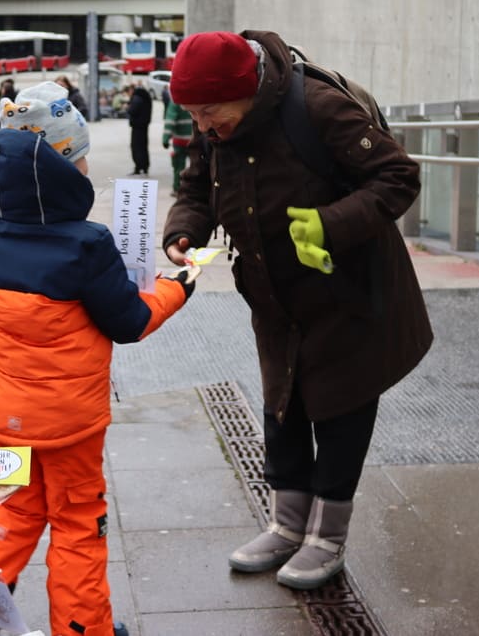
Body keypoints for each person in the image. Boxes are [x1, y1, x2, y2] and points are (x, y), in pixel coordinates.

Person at [162, 30, 433, 590]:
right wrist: (184, 231)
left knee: (340, 406)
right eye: (194, 114)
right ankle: (287, 526)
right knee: (283, 402)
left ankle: (327, 537)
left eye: (210, 112)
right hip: (275, 293)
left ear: (245, 91)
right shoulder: (214, 119)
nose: (205, 125)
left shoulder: (317, 106)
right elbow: (195, 187)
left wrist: (330, 224)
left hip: (350, 289)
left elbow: (398, 174)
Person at [0, 80, 194, 636]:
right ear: (63, 166)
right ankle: (84, 630)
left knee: (9, 513)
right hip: (72, 427)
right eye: (79, 158)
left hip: (5, 420)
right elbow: (130, 321)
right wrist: (177, 289)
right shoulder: (86, 244)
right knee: (80, 525)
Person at [160, 97, 193, 195]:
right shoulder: (194, 97)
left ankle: (178, 189)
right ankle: (194, 190)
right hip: (194, 140)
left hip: (180, 141)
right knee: (197, 166)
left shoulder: (175, 101)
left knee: (178, 166)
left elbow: (170, 121)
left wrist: (165, 139)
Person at [126, 82, 152, 175]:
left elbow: (132, 110)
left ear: (131, 90)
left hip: (137, 126)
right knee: (143, 146)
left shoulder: (137, 97)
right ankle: (144, 167)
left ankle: (138, 167)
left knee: (136, 147)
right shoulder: (144, 96)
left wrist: (128, 108)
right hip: (144, 126)